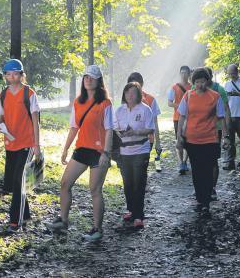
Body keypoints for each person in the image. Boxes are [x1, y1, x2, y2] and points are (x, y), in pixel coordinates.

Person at [47, 64, 113, 242]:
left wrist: (106, 154)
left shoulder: (105, 103)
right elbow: (74, 127)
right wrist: (66, 148)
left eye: (92, 77)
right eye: (85, 77)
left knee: (95, 189)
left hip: (99, 152)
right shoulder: (78, 102)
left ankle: (97, 229)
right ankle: (63, 220)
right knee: (65, 183)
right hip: (82, 148)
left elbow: (109, 130)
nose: (88, 80)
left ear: (99, 81)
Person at [0, 58, 41, 233]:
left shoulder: (29, 94)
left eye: (15, 73)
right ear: (5, 76)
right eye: (8, 74)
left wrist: (37, 145)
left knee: (18, 181)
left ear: (21, 75)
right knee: (15, 181)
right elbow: (0, 117)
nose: (12, 77)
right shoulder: (3, 94)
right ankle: (27, 214)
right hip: (10, 142)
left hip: (27, 143)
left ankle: (15, 220)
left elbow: (36, 121)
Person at [177, 67, 229, 213]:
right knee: (197, 170)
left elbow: (221, 117)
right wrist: (179, 135)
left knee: (207, 169)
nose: (200, 85)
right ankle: (200, 199)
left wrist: (226, 137)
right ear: (193, 82)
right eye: (197, 82)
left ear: (208, 81)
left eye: (203, 81)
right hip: (192, 139)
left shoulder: (215, 96)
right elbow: (182, 116)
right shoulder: (188, 95)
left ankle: (206, 201)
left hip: (210, 139)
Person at [113, 82, 155, 228]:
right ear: (124, 94)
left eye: (133, 92)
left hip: (141, 150)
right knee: (128, 183)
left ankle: (139, 216)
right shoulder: (119, 110)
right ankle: (131, 210)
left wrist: (135, 132)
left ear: (138, 94)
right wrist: (120, 132)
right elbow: (115, 128)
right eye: (127, 92)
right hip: (124, 152)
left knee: (139, 182)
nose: (130, 95)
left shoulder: (145, 109)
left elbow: (150, 129)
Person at [204, 66, 231, 201]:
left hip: (216, 130)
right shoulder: (193, 90)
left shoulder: (219, 90)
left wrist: (226, 134)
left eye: (205, 78)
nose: (202, 82)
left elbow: (225, 110)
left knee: (213, 160)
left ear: (209, 78)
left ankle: (212, 188)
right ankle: (203, 187)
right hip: (200, 131)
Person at [126, 71, 162, 172]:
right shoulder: (125, 100)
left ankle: (140, 186)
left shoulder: (150, 100)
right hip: (129, 141)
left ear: (141, 85)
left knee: (141, 168)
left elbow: (155, 123)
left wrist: (158, 143)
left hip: (147, 140)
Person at [167, 65, 191, 174]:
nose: (184, 75)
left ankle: (186, 161)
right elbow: (169, 102)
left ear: (189, 74)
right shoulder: (174, 87)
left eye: (186, 73)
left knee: (190, 141)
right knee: (179, 140)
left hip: (191, 118)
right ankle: (181, 162)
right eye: (182, 73)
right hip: (177, 118)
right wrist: (180, 106)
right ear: (180, 74)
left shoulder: (192, 87)